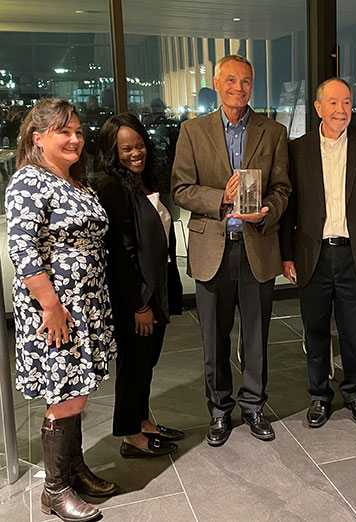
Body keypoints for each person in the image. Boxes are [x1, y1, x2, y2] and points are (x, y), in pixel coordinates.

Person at [5, 98, 118, 522]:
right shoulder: (29, 182)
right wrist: (50, 306)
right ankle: (54, 490)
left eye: (77, 131)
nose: (74, 139)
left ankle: (73, 470)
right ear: (38, 138)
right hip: (56, 309)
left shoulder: (74, 181)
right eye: (62, 132)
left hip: (85, 304)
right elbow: (22, 249)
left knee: (77, 391)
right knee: (65, 395)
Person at [172, 54, 290, 446]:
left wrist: (269, 211)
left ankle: (254, 406)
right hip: (213, 251)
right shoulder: (193, 131)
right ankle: (220, 411)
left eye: (246, 82)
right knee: (215, 339)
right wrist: (220, 197)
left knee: (256, 336)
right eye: (232, 81)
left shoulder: (272, 131)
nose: (239, 88)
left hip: (257, 246)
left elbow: (283, 188)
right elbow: (181, 189)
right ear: (217, 83)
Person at [280, 78, 356, 427]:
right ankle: (318, 396)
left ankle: (355, 393)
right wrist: (286, 255)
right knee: (315, 331)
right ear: (318, 108)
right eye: (333, 103)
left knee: (354, 332)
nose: (341, 110)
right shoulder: (298, 150)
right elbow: (290, 208)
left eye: (346, 103)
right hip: (312, 256)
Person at [97, 113, 184, 456]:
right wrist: (140, 305)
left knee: (146, 363)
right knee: (133, 367)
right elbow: (121, 255)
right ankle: (131, 435)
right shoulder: (112, 188)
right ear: (111, 152)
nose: (137, 152)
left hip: (157, 288)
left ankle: (143, 421)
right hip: (137, 298)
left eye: (140, 145)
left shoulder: (144, 180)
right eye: (126, 148)